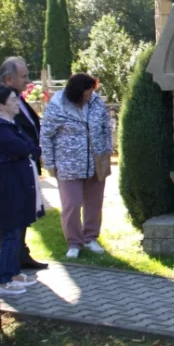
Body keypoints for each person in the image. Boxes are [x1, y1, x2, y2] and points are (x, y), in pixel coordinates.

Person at [0, 56, 48, 270]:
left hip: (24, 164)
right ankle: (3, 268)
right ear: (7, 79)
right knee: (7, 221)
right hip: (6, 167)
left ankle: (20, 257)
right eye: (23, 76)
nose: (27, 80)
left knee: (21, 215)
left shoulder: (18, 97)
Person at [0, 86, 42, 297]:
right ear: (0, 104)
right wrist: (29, 149)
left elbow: (31, 144)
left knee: (16, 229)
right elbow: (25, 148)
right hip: (5, 186)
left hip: (15, 184)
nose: (18, 103)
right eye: (13, 100)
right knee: (10, 232)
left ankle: (13, 273)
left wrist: (29, 148)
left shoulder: (9, 123)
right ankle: (3, 279)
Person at [40, 73, 112, 259]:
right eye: (86, 93)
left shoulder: (96, 102)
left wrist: (107, 151)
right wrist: (49, 163)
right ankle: (74, 242)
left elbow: (106, 128)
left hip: (96, 162)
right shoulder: (57, 107)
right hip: (68, 165)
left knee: (94, 204)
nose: (90, 96)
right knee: (72, 205)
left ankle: (90, 238)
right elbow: (46, 136)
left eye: (91, 92)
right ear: (76, 93)